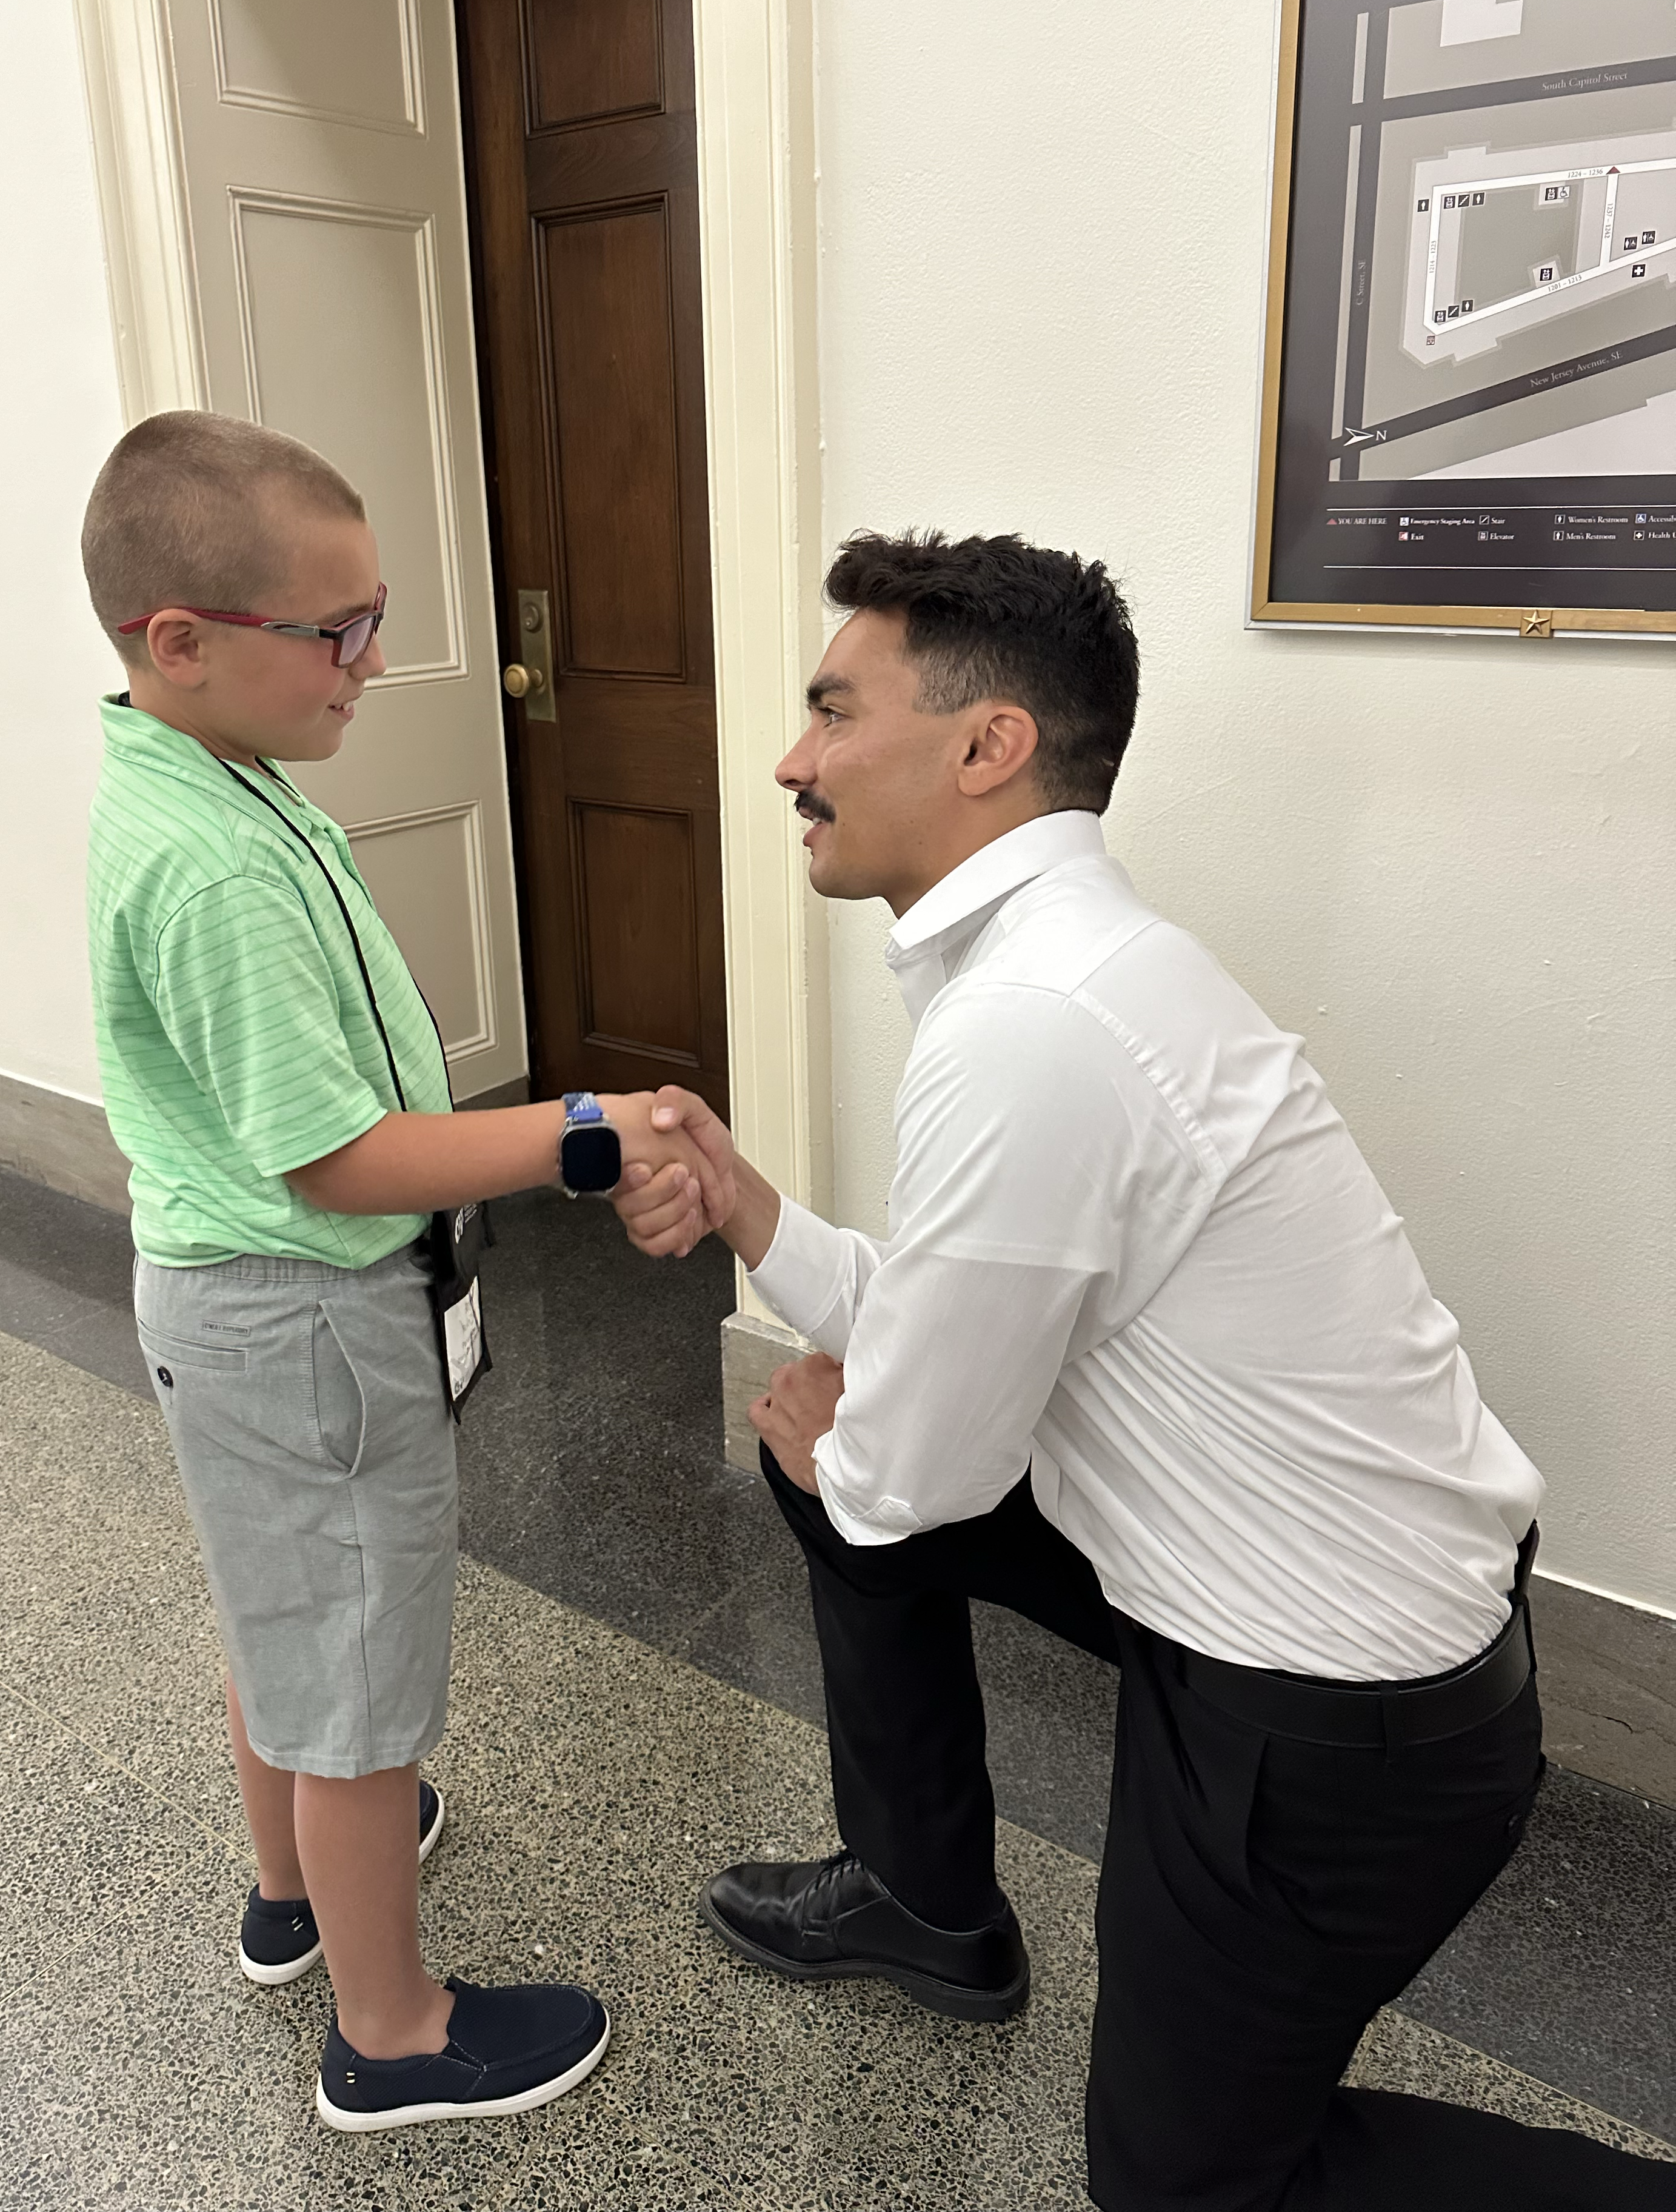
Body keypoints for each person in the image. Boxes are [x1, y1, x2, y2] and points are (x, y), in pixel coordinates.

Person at [615, 532, 1676, 2208]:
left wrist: (856, 1460)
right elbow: (946, 1339)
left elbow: (915, 1473)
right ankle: (927, 1899)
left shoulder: (1034, 1023)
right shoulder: (1072, 967)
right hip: (1315, 1626)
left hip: (1339, 1728)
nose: (793, 761)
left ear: (989, 746)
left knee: (1184, 2191)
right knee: (822, 1447)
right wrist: (754, 1212)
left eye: (834, 712)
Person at [82, 412, 729, 2133]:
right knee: (361, 1674)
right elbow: (339, 1160)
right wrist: (577, 1132)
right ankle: (393, 2032)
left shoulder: (192, 773)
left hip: (232, 1307)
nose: (372, 662)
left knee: (283, 1611)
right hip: (301, 1315)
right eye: (338, 631)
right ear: (181, 640)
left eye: (374, 617)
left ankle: (294, 1889)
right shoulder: (218, 862)